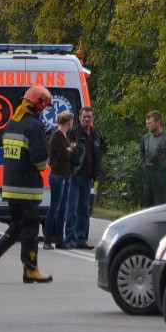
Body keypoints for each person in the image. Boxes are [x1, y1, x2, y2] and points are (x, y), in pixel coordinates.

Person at [0, 86, 54, 283]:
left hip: (11, 186)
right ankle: (31, 269)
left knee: (18, 227)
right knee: (30, 230)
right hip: (27, 188)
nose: (43, 111)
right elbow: (39, 161)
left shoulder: (12, 123)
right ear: (38, 105)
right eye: (44, 107)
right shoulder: (34, 127)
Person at [65, 106, 104, 250]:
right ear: (79, 117)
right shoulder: (73, 133)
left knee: (84, 209)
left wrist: (96, 173)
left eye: (89, 117)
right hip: (74, 175)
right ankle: (70, 239)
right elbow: (65, 153)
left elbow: (99, 154)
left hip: (88, 177)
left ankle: (81, 239)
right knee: (72, 209)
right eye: (84, 117)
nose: (87, 119)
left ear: (93, 118)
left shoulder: (96, 135)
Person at [43, 111, 77, 250]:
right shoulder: (56, 135)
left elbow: (67, 152)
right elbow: (63, 154)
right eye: (72, 121)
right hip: (57, 175)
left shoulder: (65, 136)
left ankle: (59, 239)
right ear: (69, 122)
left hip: (66, 174)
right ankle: (47, 240)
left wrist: (70, 149)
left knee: (63, 209)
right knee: (54, 208)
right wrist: (71, 149)